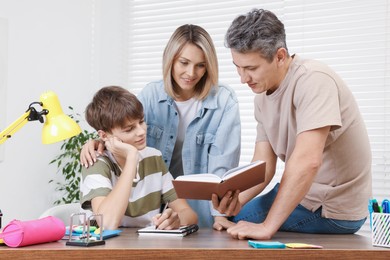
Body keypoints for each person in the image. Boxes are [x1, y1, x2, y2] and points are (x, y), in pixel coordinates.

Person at [211, 9, 372, 240]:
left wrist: (267, 227)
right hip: (306, 196)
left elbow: (308, 162)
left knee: (242, 222)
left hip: (333, 208)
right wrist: (234, 200)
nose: (243, 78)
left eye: (251, 68)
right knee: (232, 217)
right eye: (238, 67)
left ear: (280, 56)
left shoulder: (314, 80)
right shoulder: (262, 98)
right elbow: (263, 166)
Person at [80, 24, 241, 228]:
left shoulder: (223, 101)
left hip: (196, 207)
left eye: (201, 65)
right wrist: (97, 142)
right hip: (155, 205)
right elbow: (120, 122)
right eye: (184, 62)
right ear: (170, 59)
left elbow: (222, 168)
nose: (191, 73)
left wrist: (219, 215)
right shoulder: (151, 95)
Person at [80, 85, 198, 230]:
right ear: (104, 135)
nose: (141, 131)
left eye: (141, 121)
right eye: (129, 129)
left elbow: (189, 213)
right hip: (104, 250)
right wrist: (131, 157)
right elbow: (108, 223)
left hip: (144, 246)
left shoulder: (153, 157)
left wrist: (177, 220)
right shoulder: (96, 163)